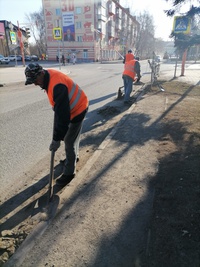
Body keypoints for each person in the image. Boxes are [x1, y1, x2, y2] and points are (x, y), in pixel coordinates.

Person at [24, 63, 89, 186]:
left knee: (69, 140)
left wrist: (56, 139)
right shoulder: (47, 77)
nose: (35, 84)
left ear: (41, 73)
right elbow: (60, 109)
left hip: (78, 109)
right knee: (71, 138)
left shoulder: (57, 85)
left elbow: (63, 117)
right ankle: (74, 157)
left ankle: (70, 173)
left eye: (35, 80)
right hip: (72, 108)